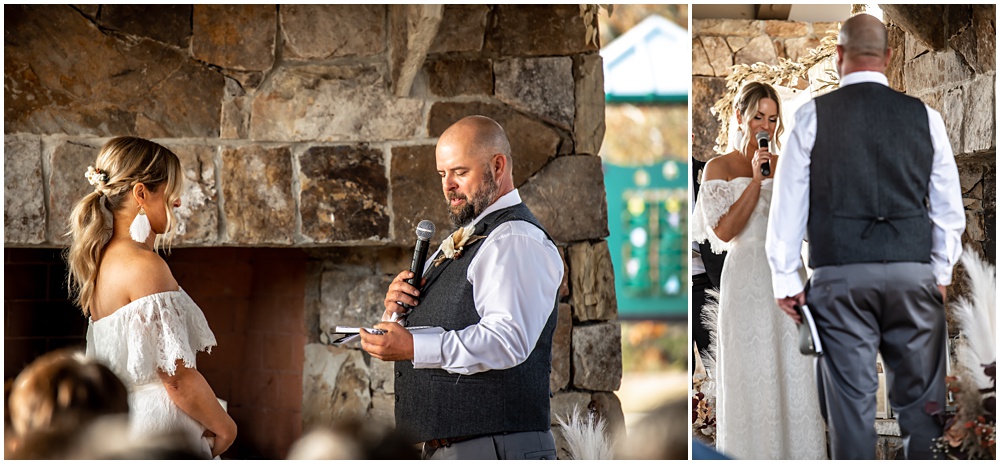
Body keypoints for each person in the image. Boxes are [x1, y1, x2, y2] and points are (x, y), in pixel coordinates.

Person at [765, 13, 965, 460]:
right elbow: (950, 209)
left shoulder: (810, 117)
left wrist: (787, 281)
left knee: (851, 418)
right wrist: (940, 270)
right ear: (889, 59)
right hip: (914, 278)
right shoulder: (925, 117)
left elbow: (788, 209)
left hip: (840, 279)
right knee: (924, 413)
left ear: (839, 56)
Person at [359, 115, 562, 459]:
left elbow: (506, 340)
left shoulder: (514, 238)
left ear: (497, 166)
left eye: (460, 172)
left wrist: (412, 346)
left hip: (495, 449)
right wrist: (396, 310)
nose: (448, 185)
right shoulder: (466, 238)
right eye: (442, 174)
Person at [66, 136, 237, 458]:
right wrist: (227, 427)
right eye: (172, 191)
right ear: (141, 194)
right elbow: (176, 378)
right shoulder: (144, 267)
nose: (178, 203)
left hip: (126, 424)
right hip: (162, 428)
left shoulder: (102, 261)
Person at [690, 82, 827, 459]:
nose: (764, 125)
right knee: (752, 377)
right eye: (757, 117)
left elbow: (803, 227)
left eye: (771, 118)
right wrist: (755, 181)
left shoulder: (788, 164)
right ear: (739, 117)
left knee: (795, 373)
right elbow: (723, 231)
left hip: (786, 275)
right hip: (745, 275)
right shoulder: (718, 167)